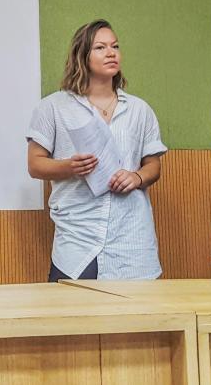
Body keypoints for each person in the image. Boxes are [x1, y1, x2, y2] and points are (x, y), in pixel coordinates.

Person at [26, 19, 167, 281]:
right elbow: (35, 165)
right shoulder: (53, 107)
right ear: (82, 55)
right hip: (78, 242)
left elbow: (153, 166)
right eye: (100, 47)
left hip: (132, 241)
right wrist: (69, 167)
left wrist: (136, 177)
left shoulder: (139, 109)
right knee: (72, 321)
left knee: (138, 322)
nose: (111, 53)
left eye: (115, 46)